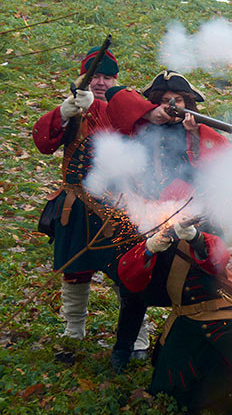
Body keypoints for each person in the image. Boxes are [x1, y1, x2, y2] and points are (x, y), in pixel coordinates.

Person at [104, 71, 229, 371]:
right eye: (165, 100)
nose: (173, 105)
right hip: (144, 216)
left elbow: (224, 166)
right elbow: (116, 96)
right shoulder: (141, 127)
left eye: (179, 100)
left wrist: (197, 136)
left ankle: (205, 354)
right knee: (133, 291)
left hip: (190, 216)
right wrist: (152, 113)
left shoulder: (198, 132)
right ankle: (122, 350)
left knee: (205, 283)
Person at [32, 46, 151, 353]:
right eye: (94, 76)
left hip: (120, 207)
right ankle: (73, 331)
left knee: (129, 273)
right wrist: (63, 112)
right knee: (74, 273)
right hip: (76, 207)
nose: (100, 82)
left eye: (107, 77)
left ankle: (136, 337)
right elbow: (43, 142)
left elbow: (135, 127)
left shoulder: (126, 106)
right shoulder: (73, 106)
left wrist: (95, 108)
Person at [118, 219, 232, 412]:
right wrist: (148, 249)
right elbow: (129, 275)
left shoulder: (208, 232)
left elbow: (217, 259)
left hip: (224, 318)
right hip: (186, 320)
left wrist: (195, 238)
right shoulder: (155, 235)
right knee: (169, 389)